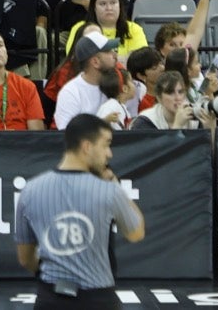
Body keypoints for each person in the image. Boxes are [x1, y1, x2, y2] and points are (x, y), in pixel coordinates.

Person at [13, 113, 144, 305]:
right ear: (87, 146)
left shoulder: (30, 190)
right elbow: (136, 233)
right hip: (97, 298)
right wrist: (116, 186)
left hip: (50, 297)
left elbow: (25, 259)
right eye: (106, 144)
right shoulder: (108, 191)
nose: (110, 153)